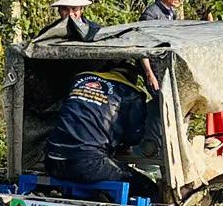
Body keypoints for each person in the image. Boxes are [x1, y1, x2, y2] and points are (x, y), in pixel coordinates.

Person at [43, 63, 156, 191]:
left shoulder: (81, 79)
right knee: (146, 187)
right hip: (88, 164)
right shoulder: (131, 93)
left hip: (51, 161)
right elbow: (134, 136)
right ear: (134, 77)